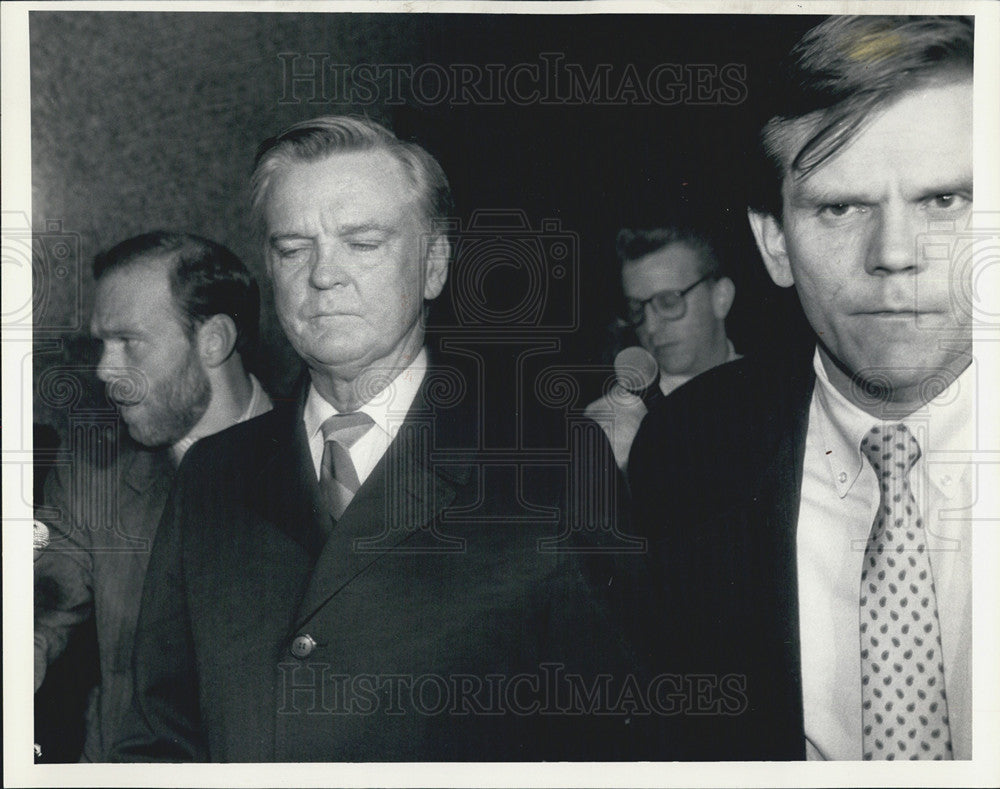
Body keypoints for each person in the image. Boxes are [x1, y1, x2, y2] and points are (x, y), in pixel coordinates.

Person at [112, 116, 638, 762]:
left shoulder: (550, 464)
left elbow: (610, 741)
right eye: (293, 247)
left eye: (362, 242)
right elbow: (159, 734)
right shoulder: (214, 473)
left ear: (435, 265)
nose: (323, 275)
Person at [629, 15, 975, 760]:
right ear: (774, 243)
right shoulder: (688, 454)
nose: (893, 255)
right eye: (839, 208)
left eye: (945, 200)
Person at [34, 231, 272, 762]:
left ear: (213, 341)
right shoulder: (93, 471)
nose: (103, 369)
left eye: (128, 342)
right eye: (101, 342)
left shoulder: (325, 470)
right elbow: (44, 594)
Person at [584, 224, 738, 469]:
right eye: (637, 308)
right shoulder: (612, 424)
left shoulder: (780, 393)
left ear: (721, 297)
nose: (651, 327)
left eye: (668, 302)